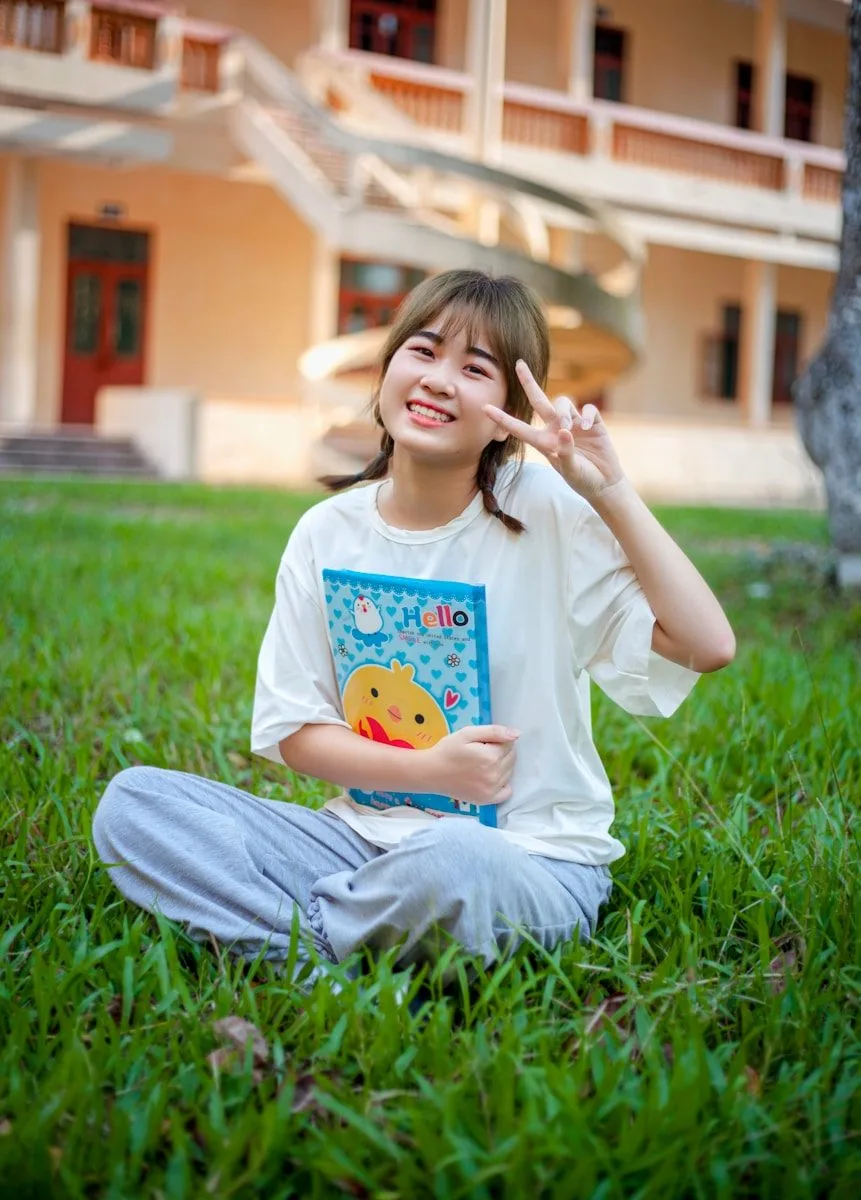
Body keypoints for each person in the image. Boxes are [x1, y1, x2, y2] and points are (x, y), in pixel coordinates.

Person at [93, 269, 735, 985]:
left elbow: (705, 645)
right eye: (423, 351)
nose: (438, 380)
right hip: (355, 844)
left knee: (453, 862)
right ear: (388, 368)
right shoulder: (326, 533)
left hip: (525, 860)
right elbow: (297, 732)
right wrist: (427, 772)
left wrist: (610, 491)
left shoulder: (544, 511)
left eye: (475, 368)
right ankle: (331, 952)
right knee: (135, 804)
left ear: (508, 411)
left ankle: (290, 942)